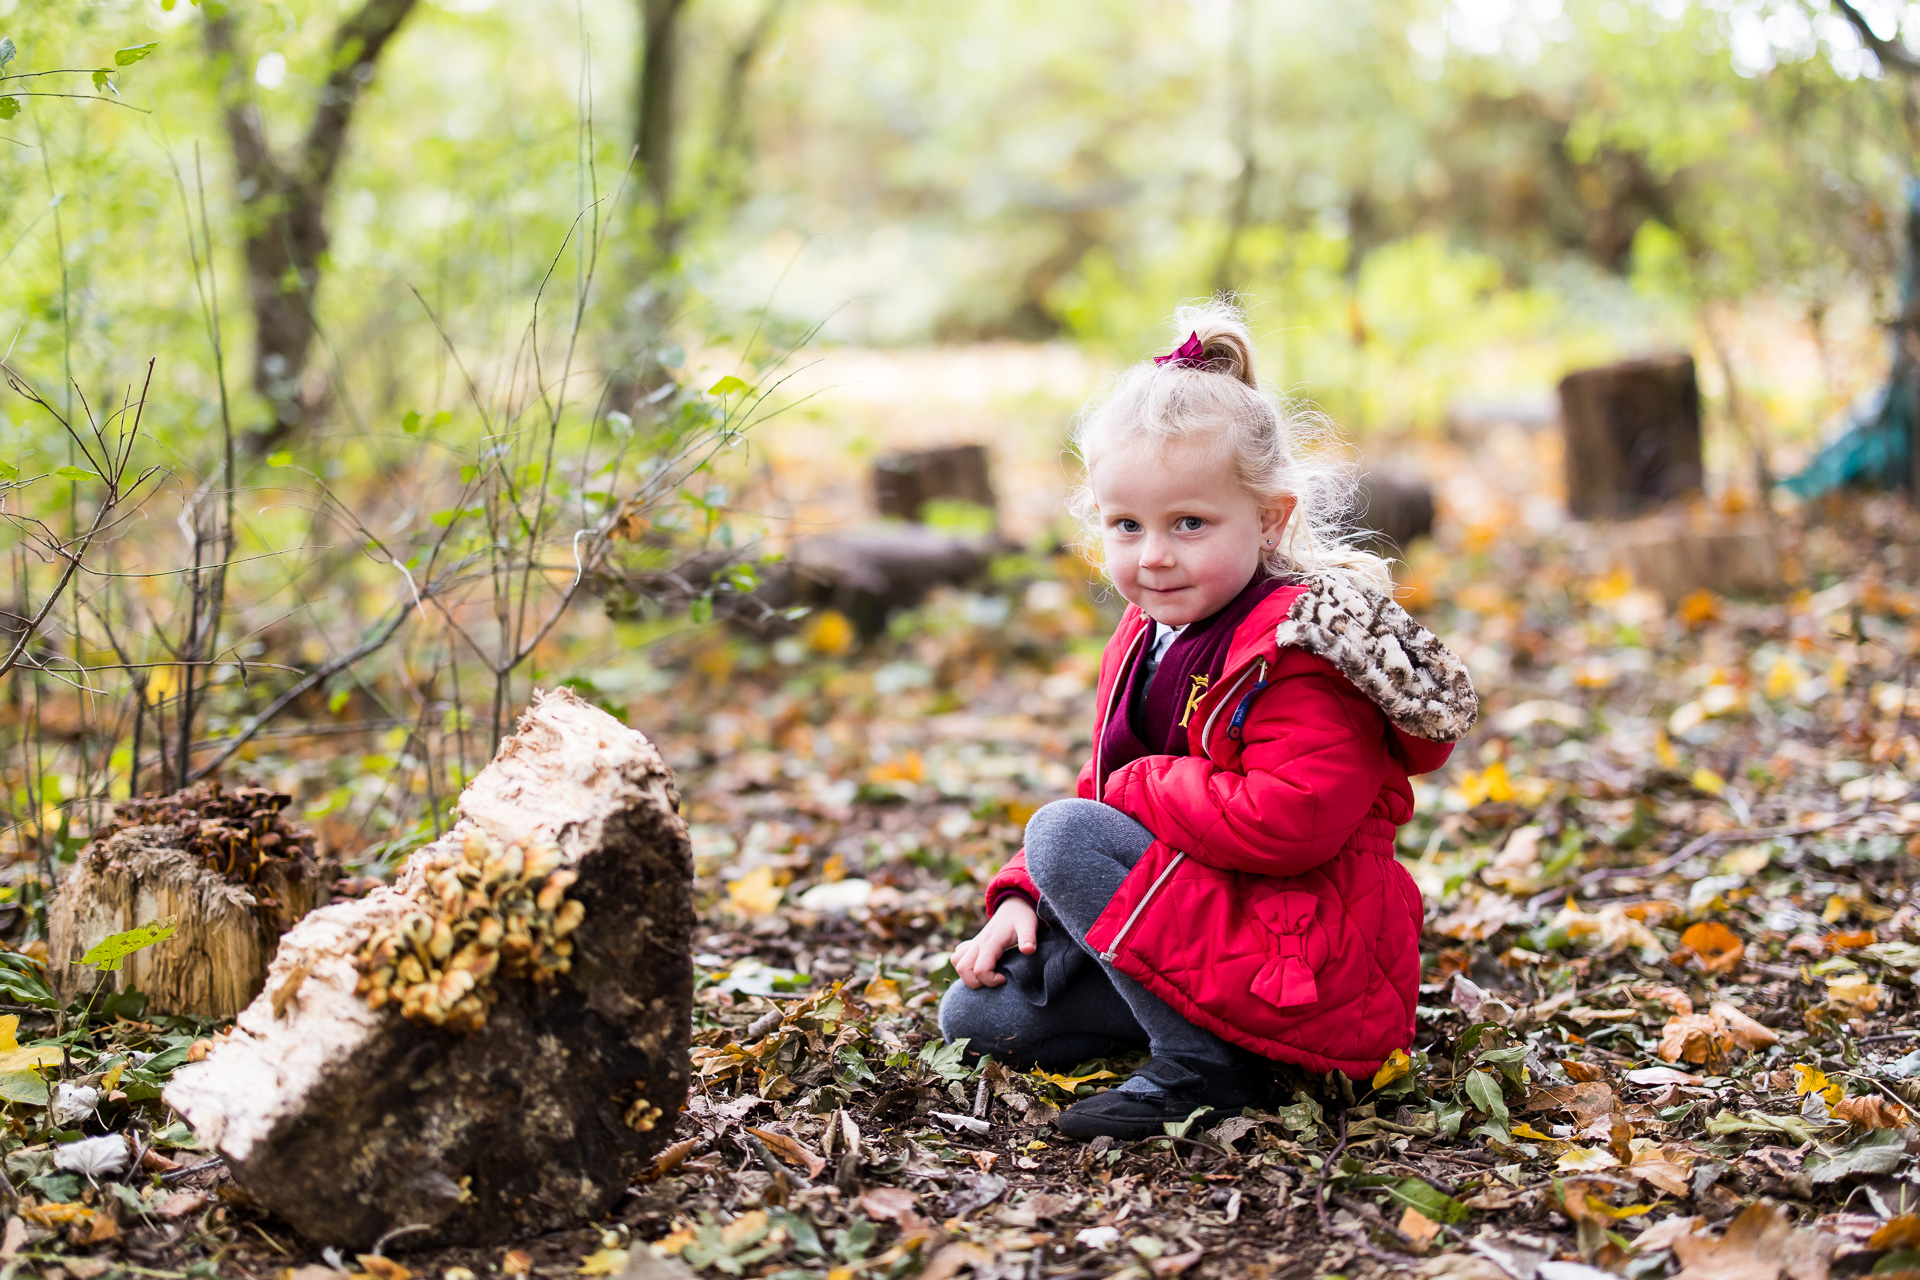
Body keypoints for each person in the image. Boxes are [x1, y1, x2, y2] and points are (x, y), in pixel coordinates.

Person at [938, 299, 1479, 1140]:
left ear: (1268, 520)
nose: (1154, 554)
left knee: (1064, 835)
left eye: (1188, 524)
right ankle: (1206, 1037)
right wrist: (1024, 900)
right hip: (1217, 924)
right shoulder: (1153, 629)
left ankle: (1207, 1068)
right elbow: (1103, 787)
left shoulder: (1298, 654)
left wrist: (1140, 790)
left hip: (1304, 953)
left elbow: (1290, 820)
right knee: (983, 1018)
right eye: (1127, 526)